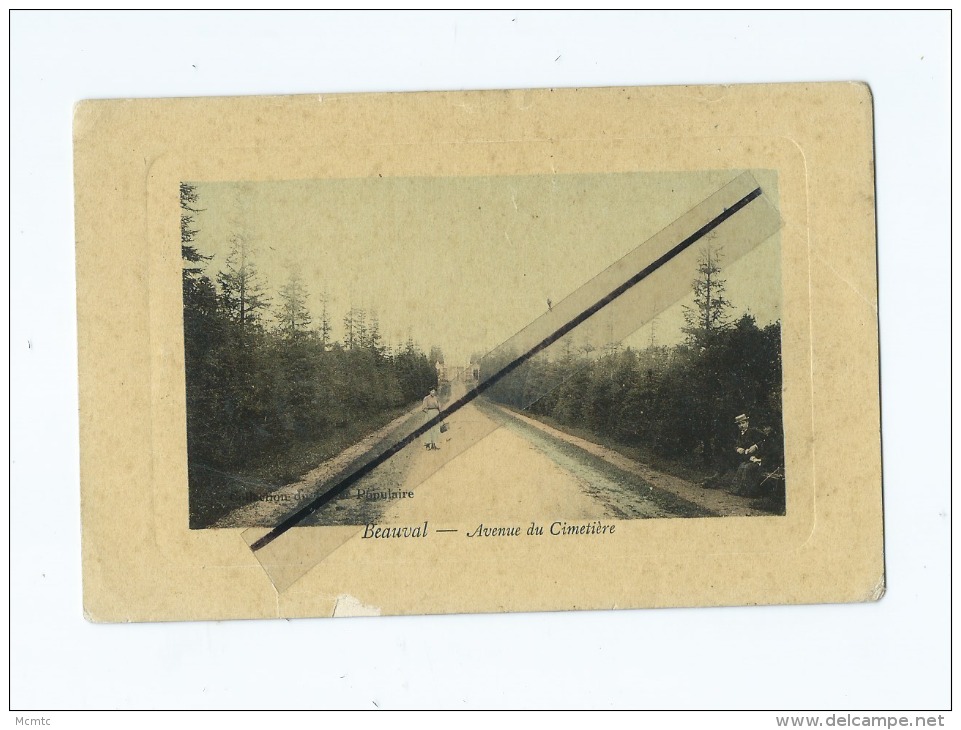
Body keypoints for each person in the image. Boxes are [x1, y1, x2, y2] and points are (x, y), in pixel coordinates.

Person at [730, 413, 765, 497]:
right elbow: (734, 444)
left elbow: (765, 439)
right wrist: (737, 449)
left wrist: (756, 446)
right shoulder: (739, 434)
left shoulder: (754, 431)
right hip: (747, 458)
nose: (741, 425)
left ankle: (748, 491)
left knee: (747, 467)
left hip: (758, 457)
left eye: (743, 423)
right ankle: (737, 489)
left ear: (747, 423)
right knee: (742, 466)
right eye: (739, 424)